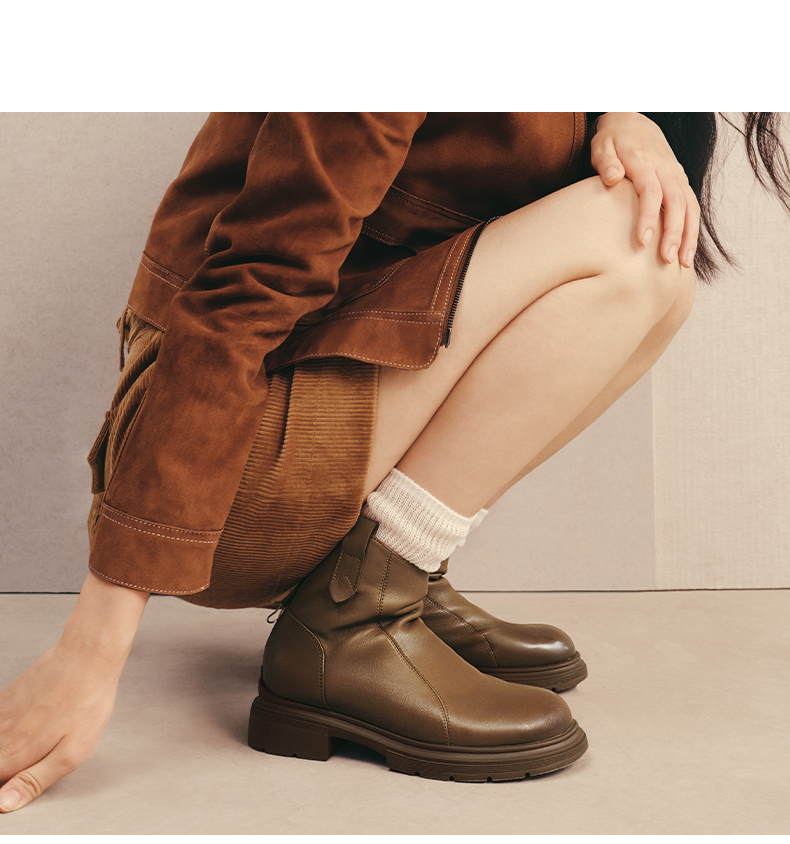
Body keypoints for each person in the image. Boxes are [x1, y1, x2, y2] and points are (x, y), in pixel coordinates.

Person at [1, 113, 787, 809]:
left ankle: (390, 569)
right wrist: (91, 646)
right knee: (625, 231)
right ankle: (352, 617)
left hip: (299, 412)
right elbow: (247, 292)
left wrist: (625, 112)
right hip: (223, 467)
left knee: (655, 261)